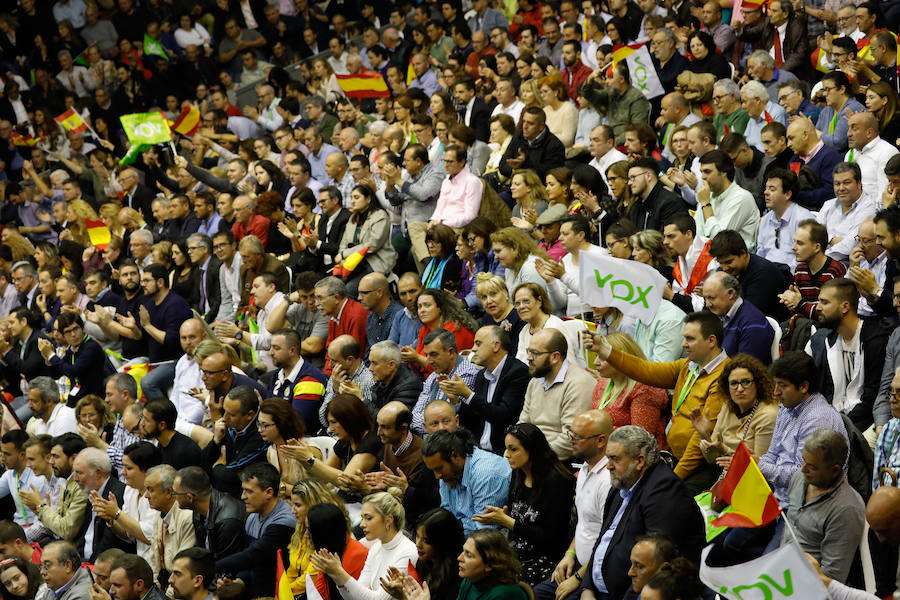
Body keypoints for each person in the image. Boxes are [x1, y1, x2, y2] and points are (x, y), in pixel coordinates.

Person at [591, 311, 729, 493]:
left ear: (711, 341)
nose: (684, 344)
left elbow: (699, 441)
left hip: (701, 467)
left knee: (659, 498)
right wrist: (605, 351)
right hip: (675, 459)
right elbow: (645, 370)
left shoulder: (724, 376)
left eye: (690, 339)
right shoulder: (687, 366)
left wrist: (673, 478)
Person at [578, 426, 705, 600]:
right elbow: (604, 540)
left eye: (615, 459)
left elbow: (655, 567)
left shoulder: (664, 491)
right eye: (608, 458)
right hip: (594, 591)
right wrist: (586, 586)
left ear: (639, 461)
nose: (608, 466)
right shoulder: (621, 484)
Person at [469, 423, 574, 586]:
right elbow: (519, 520)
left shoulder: (556, 481)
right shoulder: (518, 473)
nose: (506, 455)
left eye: (513, 449)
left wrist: (507, 521)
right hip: (517, 552)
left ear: (532, 450)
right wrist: (502, 517)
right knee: (474, 568)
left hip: (546, 558)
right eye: (506, 448)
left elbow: (550, 538)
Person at [809, 278, 892, 432]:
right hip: (834, 416)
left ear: (845, 307)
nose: (818, 307)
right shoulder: (828, 340)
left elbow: (872, 397)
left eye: (824, 302)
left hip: (865, 420)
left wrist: (839, 424)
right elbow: (826, 390)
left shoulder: (875, 340)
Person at [784, 429, 865, 583]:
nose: (803, 469)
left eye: (812, 467)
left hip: (807, 584)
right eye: (803, 461)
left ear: (835, 470)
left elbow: (832, 578)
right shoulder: (800, 479)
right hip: (782, 568)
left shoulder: (846, 509)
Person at [311, 490, 418, 600]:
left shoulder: (407, 552)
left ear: (388, 520)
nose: (362, 525)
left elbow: (378, 599)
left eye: (368, 518)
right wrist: (337, 577)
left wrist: (339, 572)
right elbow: (354, 598)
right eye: (362, 518)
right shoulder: (376, 547)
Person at [446, 326, 531, 454]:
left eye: (478, 343)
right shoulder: (481, 375)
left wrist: (468, 394)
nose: (473, 349)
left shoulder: (518, 372)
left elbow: (502, 415)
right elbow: (474, 419)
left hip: (505, 452)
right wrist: (456, 400)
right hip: (479, 450)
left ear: (496, 346)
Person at [216, 463, 296, 596]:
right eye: (243, 490)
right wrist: (239, 581)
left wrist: (210, 567)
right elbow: (253, 561)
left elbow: (252, 556)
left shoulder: (285, 521)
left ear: (268, 492)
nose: (243, 496)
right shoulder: (253, 517)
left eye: (249, 491)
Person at [520, 328, 596, 460]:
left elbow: (570, 439)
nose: (529, 357)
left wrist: (533, 458)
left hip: (558, 462)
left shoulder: (579, 383)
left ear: (555, 357)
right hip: (532, 457)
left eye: (535, 353)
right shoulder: (535, 381)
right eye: (529, 351)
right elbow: (523, 424)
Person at [422, 428, 511, 537]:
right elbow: (446, 516)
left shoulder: (486, 475)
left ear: (455, 456)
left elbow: (484, 532)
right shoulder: (446, 472)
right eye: (433, 470)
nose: (437, 476)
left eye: (439, 468)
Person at [591, 333, 670, 450]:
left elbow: (640, 440)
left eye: (602, 357)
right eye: (596, 355)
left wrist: (598, 432)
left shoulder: (645, 388)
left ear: (621, 359)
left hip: (634, 455)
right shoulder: (603, 383)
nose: (595, 362)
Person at [201, 386, 269, 498]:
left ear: (249, 415)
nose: (224, 418)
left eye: (231, 415)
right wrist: (216, 440)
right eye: (224, 411)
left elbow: (230, 475)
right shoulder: (230, 424)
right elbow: (203, 462)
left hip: (247, 494)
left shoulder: (261, 434)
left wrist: (218, 464)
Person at [72, 448, 134, 561]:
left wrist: (88, 566)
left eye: (79, 473)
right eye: (74, 472)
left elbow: (110, 543)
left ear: (98, 473)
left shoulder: (117, 494)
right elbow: (86, 535)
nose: (75, 478)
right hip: (85, 560)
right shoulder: (92, 491)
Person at [172, 467, 246, 561]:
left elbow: (226, 565)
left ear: (189, 497)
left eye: (175, 493)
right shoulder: (198, 511)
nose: (173, 496)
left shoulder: (227, 521)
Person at [39, 312, 112, 407]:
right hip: (78, 398)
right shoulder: (72, 349)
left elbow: (72, 372)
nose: (73, 334)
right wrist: (48, 359)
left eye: (76, 329)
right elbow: (56, 375)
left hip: (94, 400)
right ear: (63, 335)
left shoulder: (91, 347)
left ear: (82, 328)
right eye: (68, 332)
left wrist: (51, 355)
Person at [779, 219, 847, 318]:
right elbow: (798, 306)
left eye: (800, 243)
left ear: (817, 247)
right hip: (806, 323)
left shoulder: (835, 271)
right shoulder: (800, 270)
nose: (793, 247)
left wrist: (800, 304)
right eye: (794, 242)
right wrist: (790, 299)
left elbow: (831, 314)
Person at [701, 271, 775, 365]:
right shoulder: (718, 316)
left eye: (712, 298)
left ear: (730, 293)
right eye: (705, 298)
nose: (707, 304)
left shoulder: (753, 324)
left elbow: (746, 369)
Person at [694, 151, 760, 252]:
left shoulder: (741, 197)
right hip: (707, 255)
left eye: (707, 172)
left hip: (736, 257)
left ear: (723, 172)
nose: (703, 177)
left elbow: (721, 241)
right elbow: (697, 233)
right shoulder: (707, 195)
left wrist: (706, 205)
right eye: (701, 172)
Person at [756, 168, 815, 271]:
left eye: (772, 189)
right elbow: (761, 254)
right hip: (767, 274)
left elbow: (807, 258)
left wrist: (781, 273)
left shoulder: (803, 219)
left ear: (787, 194)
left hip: (792, 274)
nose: (766, 192)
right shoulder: (765, 220)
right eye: (766, 188)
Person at [141, 399, 203, 473]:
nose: (142, 424)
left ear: (162, 425)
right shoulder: (162, 443)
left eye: (147, 420)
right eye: (142, 418)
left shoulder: (185, 452)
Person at [368, 341, 423, 412]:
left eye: (375, 363)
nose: (370, 368)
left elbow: (388, 417)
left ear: (391, 365)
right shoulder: (381, 381)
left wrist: (363, 401)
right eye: (370, 363)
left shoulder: (409, 386)